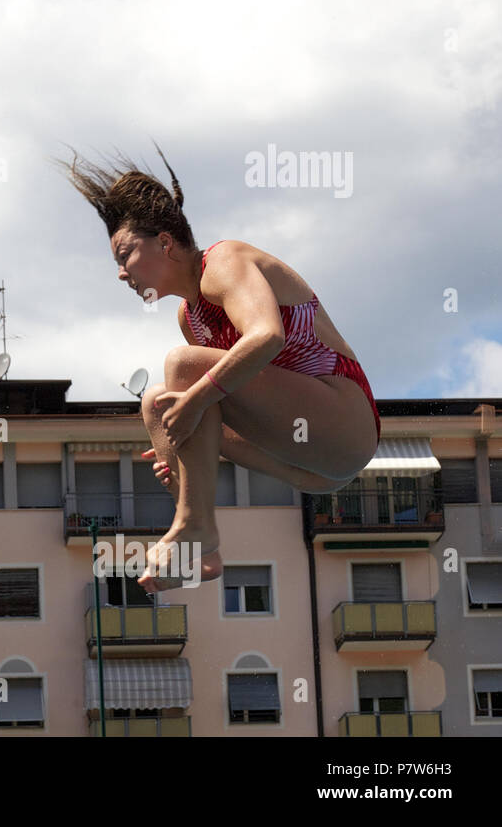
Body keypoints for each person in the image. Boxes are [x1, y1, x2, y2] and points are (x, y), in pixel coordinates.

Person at [58, 143, 380, 593]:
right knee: (156, 403)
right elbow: (218, 402)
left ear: (165, 243)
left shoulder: (224, 261)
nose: (121, 273)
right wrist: (181, 454)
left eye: (125, 255)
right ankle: (200, 546)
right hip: (311, 470)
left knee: (183, 370)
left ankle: (195, 530)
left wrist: (193, 405)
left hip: (347, 425)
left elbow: (267, 336)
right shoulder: (188, 317)